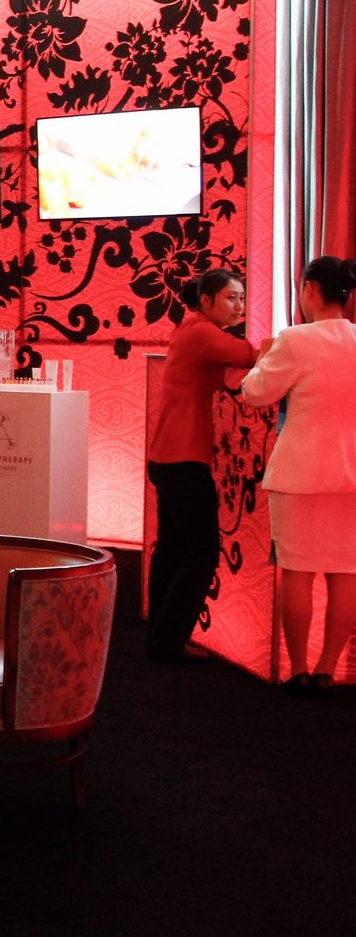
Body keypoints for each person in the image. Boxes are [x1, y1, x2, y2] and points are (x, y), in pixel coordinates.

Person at [239, 257, 356, 695]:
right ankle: (327, 670)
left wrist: (263, 359)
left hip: (300, 473)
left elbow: (256, 393)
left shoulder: (295, 339)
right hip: (352, 475)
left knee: (297, 572)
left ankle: (299, 670)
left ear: (309, 289)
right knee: (347, 572)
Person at [145, 269, 257, 663]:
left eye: (241, 297)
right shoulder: (201, 332)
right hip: (183, 458)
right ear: (206, 300)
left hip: (169, 455)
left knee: (172, 549)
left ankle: (161, 639)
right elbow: (248, 355)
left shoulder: (192, 330)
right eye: (230, 297)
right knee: (201, 552)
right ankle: (167, 640)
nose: (239, 305)